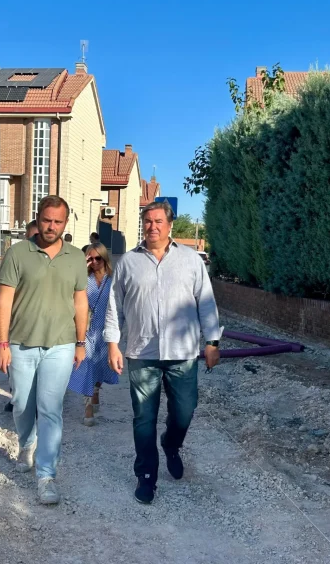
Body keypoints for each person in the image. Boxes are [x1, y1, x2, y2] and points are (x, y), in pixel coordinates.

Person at [105, 201, 221, 505]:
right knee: (144, 417)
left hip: (182, 353)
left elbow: (206, 301)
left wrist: (212, 341)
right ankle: (146, 476)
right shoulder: (128, 262)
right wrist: (112, 344)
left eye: (158, 221)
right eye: (147, 221)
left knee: (185, 411)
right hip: (142, 352)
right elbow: (115, 307)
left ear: (170, 225)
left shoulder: (191, 260)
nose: (152, 226)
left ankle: (171, 444)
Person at [0, 196, 88, 505]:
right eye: (47, 220)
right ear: (37, 218)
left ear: (65, 223)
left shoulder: (76, 257)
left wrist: (81, 342)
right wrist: (2, 343)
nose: (52, 226)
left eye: (58, 221)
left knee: (50, 408)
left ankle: (46, 475)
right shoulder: (18, 253)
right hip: (21, 343)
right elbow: (4, 299)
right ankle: (26, 443)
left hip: (61, 345)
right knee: (22, 403)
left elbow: (80, 301)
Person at [0, 220, 38, 412]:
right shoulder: (13, 259)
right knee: (12, 361)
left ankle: (36, 401)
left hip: (37, 323)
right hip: (12, 322)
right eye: (33, 236)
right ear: (26, 237)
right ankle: (16, 394)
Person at [67, 242, 119, 426]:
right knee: (86, 366)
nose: (95, 262)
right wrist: (82, 266)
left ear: (104, 259)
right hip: (86, 330)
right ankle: (87, 406)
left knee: (101, 366)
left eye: (98, 258)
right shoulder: (82, 279)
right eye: (91, 258)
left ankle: (96, 389)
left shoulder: (112, 280)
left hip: (105, 330)